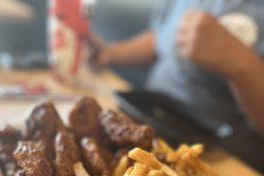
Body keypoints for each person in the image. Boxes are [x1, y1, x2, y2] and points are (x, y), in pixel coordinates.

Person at [89, 0, 264, 134]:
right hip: (148, 115)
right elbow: (163, 38)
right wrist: (110, 54)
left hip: (218, 152)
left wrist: (242, 64)